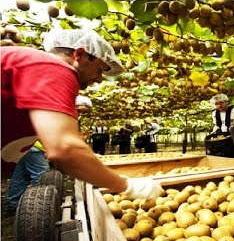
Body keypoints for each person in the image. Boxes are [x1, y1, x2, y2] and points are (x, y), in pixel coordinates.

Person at [1, 28, 163, 204]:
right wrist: (127, 186)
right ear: (79, 54)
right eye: (99, 70)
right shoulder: (54, 67)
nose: (100, 79)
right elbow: (65, 149)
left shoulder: (37, 68)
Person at [5, 141, 50, 214]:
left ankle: (13, 205)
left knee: (21, 176)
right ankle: (40, 205)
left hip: (21, 147)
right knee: (42, 176)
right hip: (33, 147)